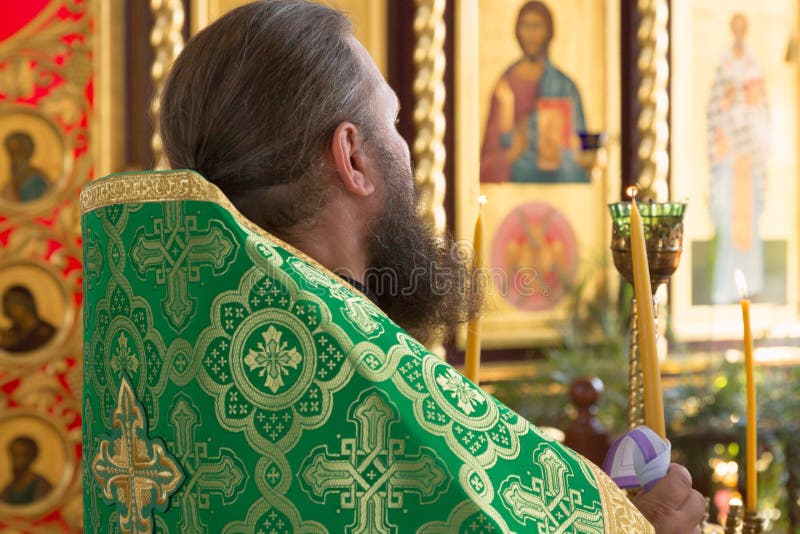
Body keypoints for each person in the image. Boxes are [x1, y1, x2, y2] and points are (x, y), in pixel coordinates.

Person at [85, 1, 703, 531]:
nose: (405, 148)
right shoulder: (367, 393)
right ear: (352, 155)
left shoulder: (161, 351)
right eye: (395, 123)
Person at [480, 1, 588, 183]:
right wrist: (512, 151)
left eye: (537, 26)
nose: (530, 34)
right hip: (513, 192)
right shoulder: (504, 87)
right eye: (525, 26)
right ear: (517, 31)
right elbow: (486, 164)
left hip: (561, 191)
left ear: (549, 32)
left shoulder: (564, 86)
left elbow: (582, 155)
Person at [706, 13, 769, 304]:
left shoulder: (754, 63)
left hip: (749, 158)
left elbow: (761, 112)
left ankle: (752, 284)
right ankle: (726, 289)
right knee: (730, 225)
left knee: (749, 228)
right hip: (729, 158)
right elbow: (715, 110)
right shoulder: (724, 64)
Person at [0, 285, 56, 353]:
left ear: (27, 305)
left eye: (14, 303)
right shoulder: (12, 332)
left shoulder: (46, 333)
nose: (11, 309)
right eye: (7, 304)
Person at [0, 436, 52, 505]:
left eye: (20, 455)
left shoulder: (42, 486)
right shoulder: (7, 490)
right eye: (13, 455)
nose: (16, 461)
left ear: (31, 457)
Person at [3, 131, 51, 202]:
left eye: (17, 152)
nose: (14, 158)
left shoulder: (37, 182)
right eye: (11, 153)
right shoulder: (10, 186)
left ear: (27, 153)